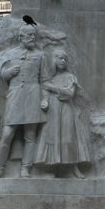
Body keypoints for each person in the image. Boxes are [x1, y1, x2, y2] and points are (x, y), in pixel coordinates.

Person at [0, 24, 50, 178]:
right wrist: (7, 73)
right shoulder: (9, 54)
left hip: (33, 95)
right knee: (7, 133)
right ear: (21, 37)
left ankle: (26, 168)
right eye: (30, 35)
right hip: (15, 95)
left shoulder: (40, 55)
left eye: (34, 35)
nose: (33, 38)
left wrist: (45, 99)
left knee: (30, 136)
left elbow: (44, 80)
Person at [34, 50, 90, 178]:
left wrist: (52, 88)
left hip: (66, 110)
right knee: (53, 137)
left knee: (68, 136)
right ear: (54, 60)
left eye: (65, 59)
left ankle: (74, 167)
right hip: (52, 111)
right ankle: (54, 167)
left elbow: (70, 93)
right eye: (59, 58)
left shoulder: (70, 77)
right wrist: (45, 100)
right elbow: (44, 93)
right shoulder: (50, 79)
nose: (62, 61)